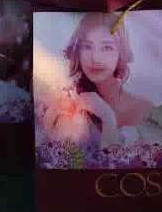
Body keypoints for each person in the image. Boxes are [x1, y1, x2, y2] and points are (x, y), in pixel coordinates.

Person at [45, 13, 154, 146]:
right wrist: (49, 121)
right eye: (87, 46)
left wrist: (108, 117)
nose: (95, 58)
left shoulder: (145, 111)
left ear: (121, 53)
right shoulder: (68, 104)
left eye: (107, 47)